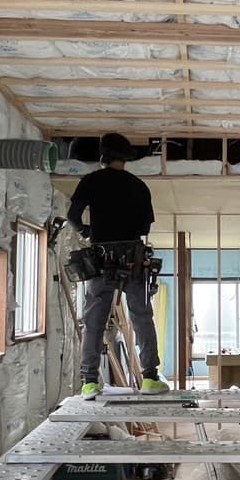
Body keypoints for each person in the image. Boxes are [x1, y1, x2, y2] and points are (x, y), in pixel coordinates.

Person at [69, 133, 170, 399]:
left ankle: (90, 382)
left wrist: (88, 230)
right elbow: (144, 227)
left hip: (101, 258)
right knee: (141, 317)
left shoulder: (90, 181)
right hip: (133, 257)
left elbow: (72, 216)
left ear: (103, 156)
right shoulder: (139, 186)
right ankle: (150, 378)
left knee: (94, 321)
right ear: (126, 159)